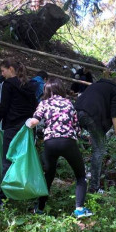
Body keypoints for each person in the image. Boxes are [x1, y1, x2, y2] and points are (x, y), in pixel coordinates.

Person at [25, 78, 93, 218]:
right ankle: (79, 209)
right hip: (68, 142)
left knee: (48, 176)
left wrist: (28, 123)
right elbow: (76, 127)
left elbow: (34, 121)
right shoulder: (68, 103)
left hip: (50, 143)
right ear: (60, 89)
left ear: (47, 90)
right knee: (80, 176)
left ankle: (40, 208)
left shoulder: (44, 103)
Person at [0, 58, 37, 204]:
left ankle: (3, 197)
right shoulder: (29, 85)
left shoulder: (9, 84)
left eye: (3, 71)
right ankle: (25, 194)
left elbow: (4, 107)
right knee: (23, 160)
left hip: (12, 127)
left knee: (8, 160)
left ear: (11, 69)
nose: (2, 74)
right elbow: (34, 106)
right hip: (27, 128)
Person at [75, 77, 116, 193]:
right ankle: (94, 187)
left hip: (76, 112)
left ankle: (79, 180)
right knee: (99, 150)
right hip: (92, 116)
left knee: (73, 145)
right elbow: (115, 114)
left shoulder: (97, 85)